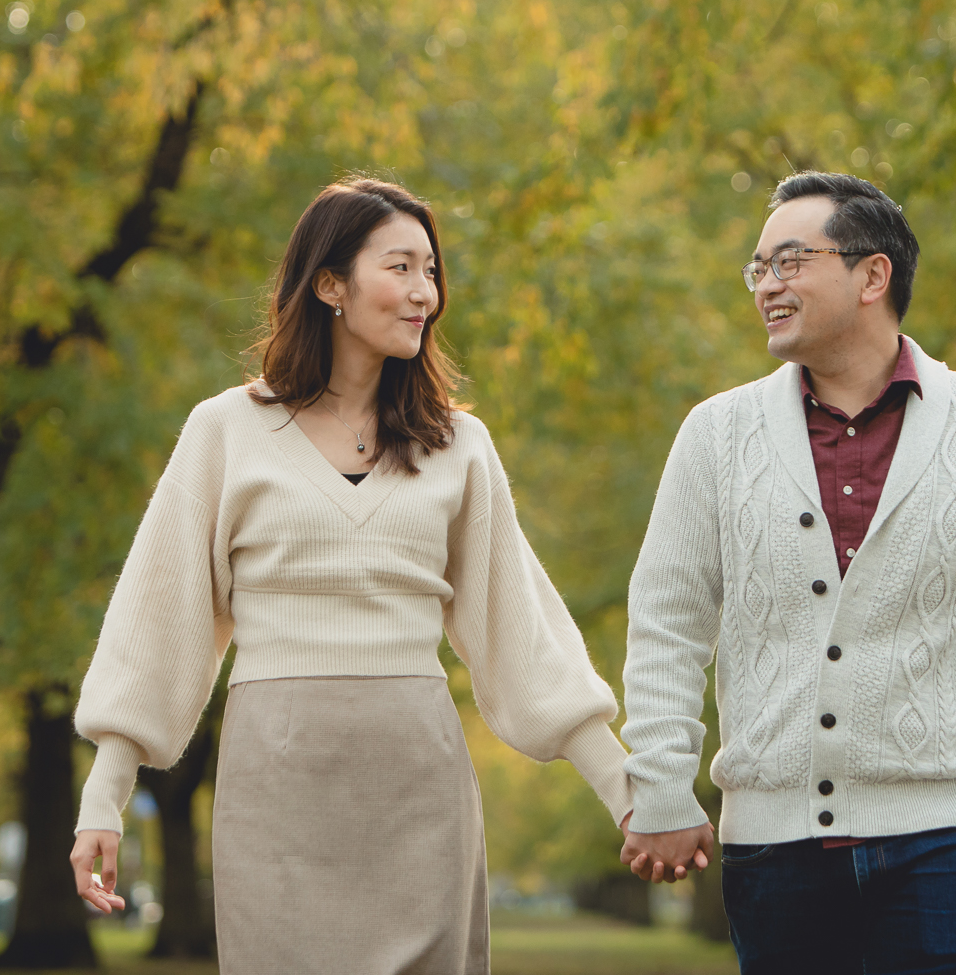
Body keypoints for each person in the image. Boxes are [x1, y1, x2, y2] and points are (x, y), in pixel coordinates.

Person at [66, 178, 631, 975]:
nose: (424, 293)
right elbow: (158, 622)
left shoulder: (458, 446)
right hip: (277, 790)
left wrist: (631, 797)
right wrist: (105, 800)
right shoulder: (226, 430)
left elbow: (522, 633)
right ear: (329, 284)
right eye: (400, 268)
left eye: (431, 272)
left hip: (419, 792)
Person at [618, 171, 956, 974]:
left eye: (791, 261)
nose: (768, 284)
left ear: (874, 275)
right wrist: (661, 785)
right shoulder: (715, 437)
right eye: (759, 268)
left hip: (940, 846)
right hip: (773, 852)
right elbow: (666, 624)